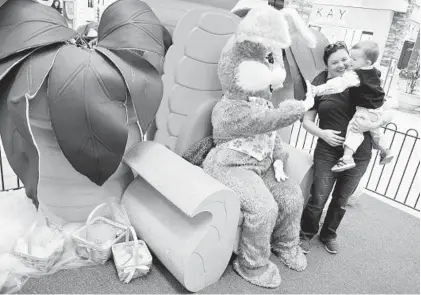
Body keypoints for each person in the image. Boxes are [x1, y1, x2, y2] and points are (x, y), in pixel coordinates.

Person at [299, 41, 386, 254]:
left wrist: (372, 124)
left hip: (359, 152)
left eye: (345, 59)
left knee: (341, 200)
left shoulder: (364, 79)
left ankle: (329, 234)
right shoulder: (320, 86)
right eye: (335, 62)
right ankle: (306, 234)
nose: (342, 64)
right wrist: (323, 134)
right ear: (327, 66)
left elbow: (385, 111)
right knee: (319, 197)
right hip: (327, 151)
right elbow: (307, 121)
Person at [311, 40, 394, 172]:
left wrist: (318, 89)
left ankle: (347, 157)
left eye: (351, 59)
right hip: (375, 109)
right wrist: (374, 124)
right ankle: (386, 150)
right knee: (377, 132)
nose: (349, 62)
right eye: (334, 62)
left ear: (366, 62)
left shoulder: (356, 75)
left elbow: (337, 84)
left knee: (354, 130)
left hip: (365, 110)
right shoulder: (375, 73)